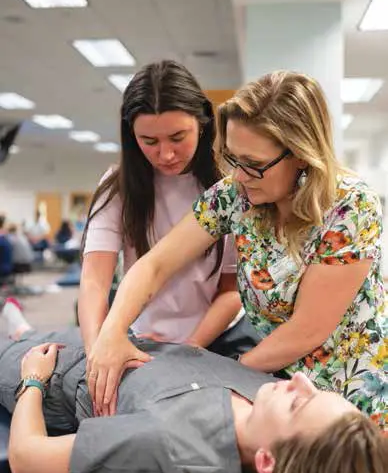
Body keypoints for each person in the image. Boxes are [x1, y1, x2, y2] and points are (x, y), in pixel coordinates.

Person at [0, 301, 386, 473]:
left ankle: (17, 330)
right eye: (315, 390)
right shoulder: (267, 402)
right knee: (28, 329)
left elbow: (25, 454)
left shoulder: (162, 441)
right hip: (120, 343)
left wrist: (33, 379)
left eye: (299, 404)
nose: (300, 382)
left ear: (267, 462)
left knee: (23, 343)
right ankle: (18, 325)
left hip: (58, 368)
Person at [86, 70, 387, 424]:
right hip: (277, 386)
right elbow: (154, 266)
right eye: (233, 158)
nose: (240, 175)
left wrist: (219, 373)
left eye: (255, 165)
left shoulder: (351, 207)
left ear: (302, 155)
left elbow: (307, 330)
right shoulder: (234, 197)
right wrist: (112, 331)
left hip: (352, 393)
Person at [79, 60, 257, 409]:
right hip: (138, 336)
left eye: (178, 137)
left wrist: (190, 347)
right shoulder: (118, 188)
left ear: (203, 123)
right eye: (149, 141)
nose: (166, 154)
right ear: (132, 136)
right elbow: (94, 283)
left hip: (214, 337)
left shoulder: (229, 189)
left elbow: (230, 291)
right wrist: (98, 351)